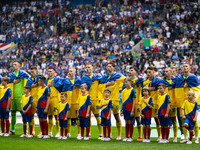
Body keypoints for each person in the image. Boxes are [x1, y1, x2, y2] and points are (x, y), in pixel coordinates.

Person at [173, 63, 200, 143]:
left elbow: (197, 89)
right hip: (183, 102)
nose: (184, 68)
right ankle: (185, 137)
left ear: (190, 68)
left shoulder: (193, 77)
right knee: (183, 120)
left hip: (192, 102)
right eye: (183, 66)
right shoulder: (179, 78)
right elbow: (176, 87)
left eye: (186, 66)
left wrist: (195, 98)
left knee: (194, 121)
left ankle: (196, 138)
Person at [99, 62, 125, 140]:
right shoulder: (104, 77)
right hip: (106, 100)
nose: (108, 68)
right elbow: (100, 88)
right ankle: (108, 134)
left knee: (116, 116)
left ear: (114, 67)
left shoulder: (118, 76)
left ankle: (119, 134)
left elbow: (125, 80)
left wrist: (115, 82)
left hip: (115, 99)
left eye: (110, 66)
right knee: (107, 117)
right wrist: (107, 85)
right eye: (108, 66)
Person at [81, 63, 102, 139]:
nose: (87, 68)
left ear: (92, 67)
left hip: (95, 100)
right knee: (88, 118)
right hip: (87, 100)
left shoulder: (98, 77)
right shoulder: (84, 78)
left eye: (89, 67)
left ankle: (101, 134)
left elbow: (102, 85)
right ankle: (88, 134)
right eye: (86, 67)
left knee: (98, 117)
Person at [9, 61, 30, 135]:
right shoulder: (11, 75)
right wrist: (12, 82)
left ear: (19, 65)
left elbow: (29, 78)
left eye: (15, 64)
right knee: (13, 113)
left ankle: (26, 129)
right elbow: (8, 82)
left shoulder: (23, 74)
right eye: (13, 64)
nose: (14, 66)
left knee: (22, 113)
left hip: (20, 96)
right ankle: (12, 129)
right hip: (12, 96)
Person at [142, 66, 161, 141]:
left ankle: (159, 136)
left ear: (153, 72)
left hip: (155, 103)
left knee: (157, 119)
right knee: (146, 121)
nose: (148, 74)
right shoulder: (145, 82)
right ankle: (146, 137)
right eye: (147, 72)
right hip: (147, 103)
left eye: (150, 72)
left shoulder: (158, 81)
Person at [160, 67, 178, 142]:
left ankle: (175, 136)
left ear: (171, 72)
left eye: (167, 71)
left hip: (173, 103)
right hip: (164, 104)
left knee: (174, 120)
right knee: (164, 121)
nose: (166, 72)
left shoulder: (174, 80)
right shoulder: (162, 81)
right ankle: (164, 137)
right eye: (165, 71)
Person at [62, 67, 81, 138]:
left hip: (76, 102)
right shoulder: (66, 81)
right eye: (69, 71)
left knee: (77, 118)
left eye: (71, 71)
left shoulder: (78, 81)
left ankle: (79, 133)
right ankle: (68, 133)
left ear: (75, 72)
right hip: (68, 102)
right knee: (68, 117)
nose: (70, 72)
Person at [127, 66, 144, 141]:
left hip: (137, 102)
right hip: (129, 102)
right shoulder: (128, 80)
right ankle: (129, 136)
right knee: (129, 119)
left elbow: (143, 80)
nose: (130, 71)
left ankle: (140, 136)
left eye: (132, 70)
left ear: (135, 72)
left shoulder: (139, 80)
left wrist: (138, 80)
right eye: (129, 70)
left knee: (137, 118)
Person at [26, 66, 41, 136]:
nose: (32, 73)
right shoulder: (29, 79)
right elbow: (28, 87)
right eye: (31, 72)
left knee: (40, 116)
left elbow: (41, 83)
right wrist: (34, 85)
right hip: (32, 99)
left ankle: (41, 131)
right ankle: (32, 131)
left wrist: (34, 85)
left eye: (33, 71)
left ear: (36, 71)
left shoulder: (39, 77)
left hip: (39, 99)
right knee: (31, 115)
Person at [46, 67, 60, 137]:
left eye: (51, 71)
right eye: (48, 71)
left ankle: (58, 132)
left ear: (54, 72)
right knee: (49, 116)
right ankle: (50, 132)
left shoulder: (57, 79)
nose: (49, 73)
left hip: (55, 99)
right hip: (48, 99)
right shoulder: (46, 80)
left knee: (56, 116)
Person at [121, 77, 136, 142]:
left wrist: (132, 110)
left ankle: (130, 136)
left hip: (130, 108)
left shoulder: (133, 90)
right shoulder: (123, 91)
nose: (125, 83)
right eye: (125, 82)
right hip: (125, 108)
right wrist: (121, 109)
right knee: (126, 121)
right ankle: (126, 136)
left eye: (127, 82)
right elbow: (123, 101)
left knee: (130, 121)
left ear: (130, 82)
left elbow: (134, 100)